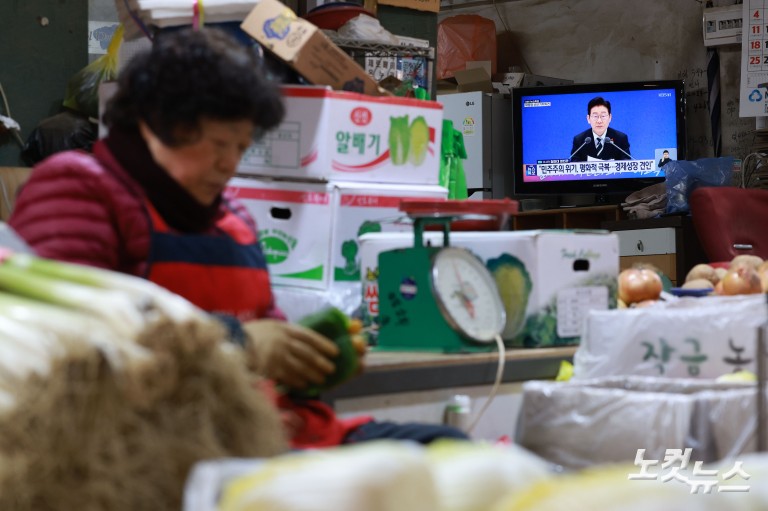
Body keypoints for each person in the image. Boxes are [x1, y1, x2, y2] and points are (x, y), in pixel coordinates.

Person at [8, 27, 466, 448]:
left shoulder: (233, 217)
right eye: (217, 143)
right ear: (157, 126)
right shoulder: (80, 188)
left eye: (240, 147)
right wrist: (238, 344)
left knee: (447, 449)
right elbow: (66, 349)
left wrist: (316, 359)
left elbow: (272, 336)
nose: (230, 164)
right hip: (157, 452)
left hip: (272, 432)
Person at [569, 96, 631, 162]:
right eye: (595, 116)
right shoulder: (579, 140)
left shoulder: (621, 139)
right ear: (588, 119)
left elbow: (626, 164)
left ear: (610, 117)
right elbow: (574, 165)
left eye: (603, 116)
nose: (599, 121)